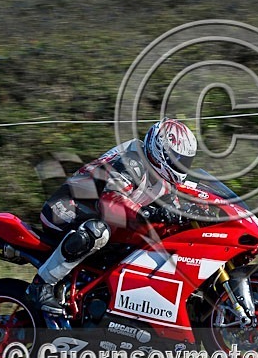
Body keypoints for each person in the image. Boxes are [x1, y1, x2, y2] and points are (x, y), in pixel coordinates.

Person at [28, 118, 198, 315]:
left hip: (101, 217)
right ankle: (42, 285)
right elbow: (112, 202)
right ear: (161, 151)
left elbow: (173, 212)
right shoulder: (133, 160)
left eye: (185, 161)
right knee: (97, 232)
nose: (181, 165)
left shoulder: (165, 182)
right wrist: (149, 213)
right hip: (64, 206)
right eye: (177, 158)